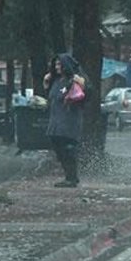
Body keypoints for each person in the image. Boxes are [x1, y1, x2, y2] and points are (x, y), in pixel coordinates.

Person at [44, 54, 86, 188]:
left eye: (59, 64)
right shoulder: (56, 81)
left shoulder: (73, 80)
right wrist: (46, 83)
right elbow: (51, 97)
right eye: (55, 64)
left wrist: (81, 85)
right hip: (56, 120)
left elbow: (83, 95)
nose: (57, 67)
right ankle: (69, 175)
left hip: (68, 120)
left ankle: (72, 177)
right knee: (58, 147)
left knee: (68, 148)